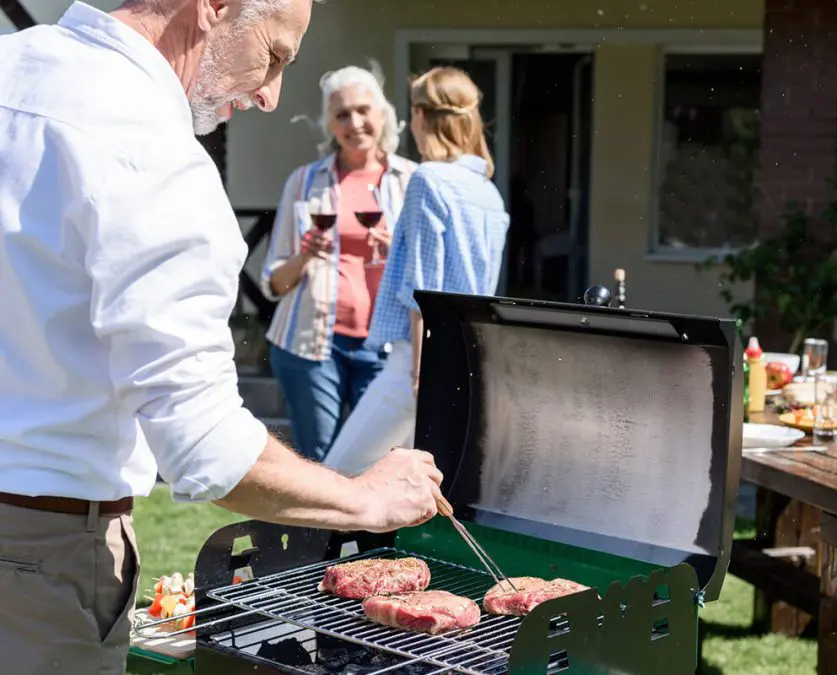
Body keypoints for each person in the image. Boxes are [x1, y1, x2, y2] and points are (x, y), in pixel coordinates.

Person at [0, 2, 444, 673]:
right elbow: (205, 447)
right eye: (273, 54)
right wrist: (369, 498)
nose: (269, 95)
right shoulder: (155, 154)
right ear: (213, 7)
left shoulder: (12, 67)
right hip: (37, 557)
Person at [322, 66, 511, 476]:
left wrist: (417, 375)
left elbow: (424, 290)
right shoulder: (488, 193)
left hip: (419, 362)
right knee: (402, 493)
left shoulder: (428, 180)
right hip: (466, 363)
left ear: (422, 116)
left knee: (336, 475)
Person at [261, 64, 417, 462]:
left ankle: (366, 529)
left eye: (363, 110)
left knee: (379, 459)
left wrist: (395, 251)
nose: (355, 123)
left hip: (385, 347)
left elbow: (424, 274)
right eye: (342, 114)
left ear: (382, 115)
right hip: (312, 346)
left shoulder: (412, 181)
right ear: (329, 123)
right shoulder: (305, 181)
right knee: (320, 462)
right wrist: (304, 256)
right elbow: (273, 281)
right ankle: (320, 530)